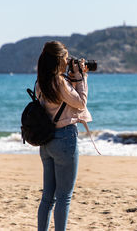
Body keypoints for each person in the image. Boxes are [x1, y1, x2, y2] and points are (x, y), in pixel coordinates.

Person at [36, 41, 91, 231]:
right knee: (64, 197)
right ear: (59, 59)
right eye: (66, 59)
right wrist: (82, 78)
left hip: (47, 140)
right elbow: (81, 102)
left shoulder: (41, 81)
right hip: (65, 139)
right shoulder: (60, 82)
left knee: (47, 198)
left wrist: (73, 78)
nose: (67, 62)